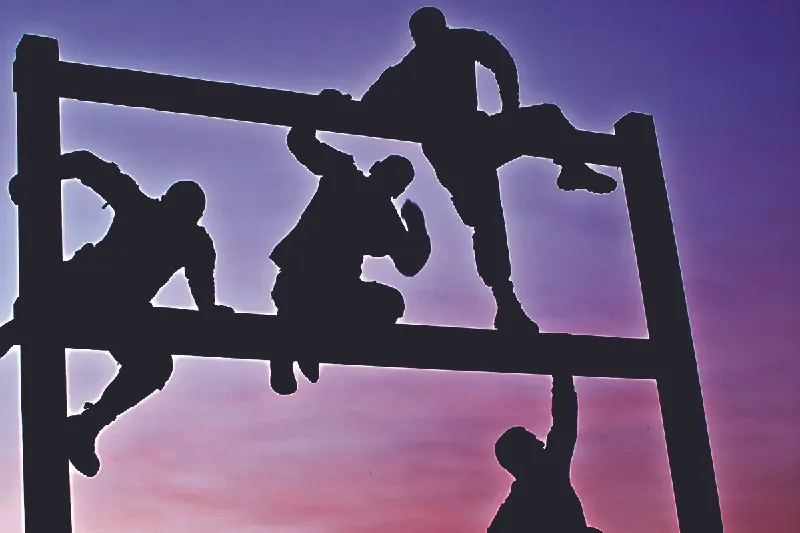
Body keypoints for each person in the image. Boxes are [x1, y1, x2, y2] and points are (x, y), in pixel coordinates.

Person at [360, 7, 618, 333]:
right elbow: (367, 109)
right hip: (456, 154)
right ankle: (507, 305)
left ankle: (571, 167)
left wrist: (510, 109)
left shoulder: (437, 53)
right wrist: (508, 108)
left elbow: (498, 57)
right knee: (487, 221)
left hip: (474, 140)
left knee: (546, 119)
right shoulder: (412, 67)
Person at [6, 150, 233, 478]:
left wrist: (211, 310)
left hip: (118, 310)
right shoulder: (146, 210)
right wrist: (34, 176)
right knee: (32, 319)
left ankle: (85, 428)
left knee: (153, 366)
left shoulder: (189, 239)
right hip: (79, 294)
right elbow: (87, 164)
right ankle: (82, 425)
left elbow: (200, 285)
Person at [268, 89, 431, 395]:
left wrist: (416, 227)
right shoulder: (344, 175)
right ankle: (296, 342)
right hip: (301, 283)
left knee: (389, 304)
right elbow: (300, 141)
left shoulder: (379, 210)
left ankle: (308, 339)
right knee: (303, 302)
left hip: (332, 291)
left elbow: (409, 263)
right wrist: (324, 108)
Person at [489, 375, 601, 532]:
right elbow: (565, 422)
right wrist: (562, 378)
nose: (542, 443)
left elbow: (564, 423)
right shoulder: (549, 472)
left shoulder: (513, 508)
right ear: (524, 455)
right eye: (534, 442)